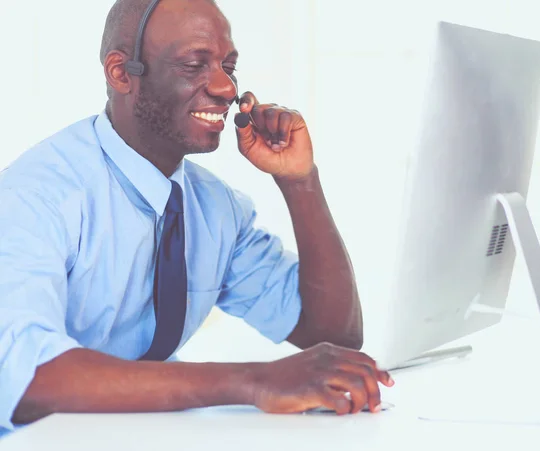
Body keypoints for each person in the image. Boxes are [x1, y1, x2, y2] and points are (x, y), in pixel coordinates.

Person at [0, 0, 393, 435]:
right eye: (194, 64)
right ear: (120, 73)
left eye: (228, 65)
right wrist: (253, 381)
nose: (226, 88)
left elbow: (331, 338)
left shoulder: (215, 208)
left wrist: (299, 182)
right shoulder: (36, 197)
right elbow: (24, 377)